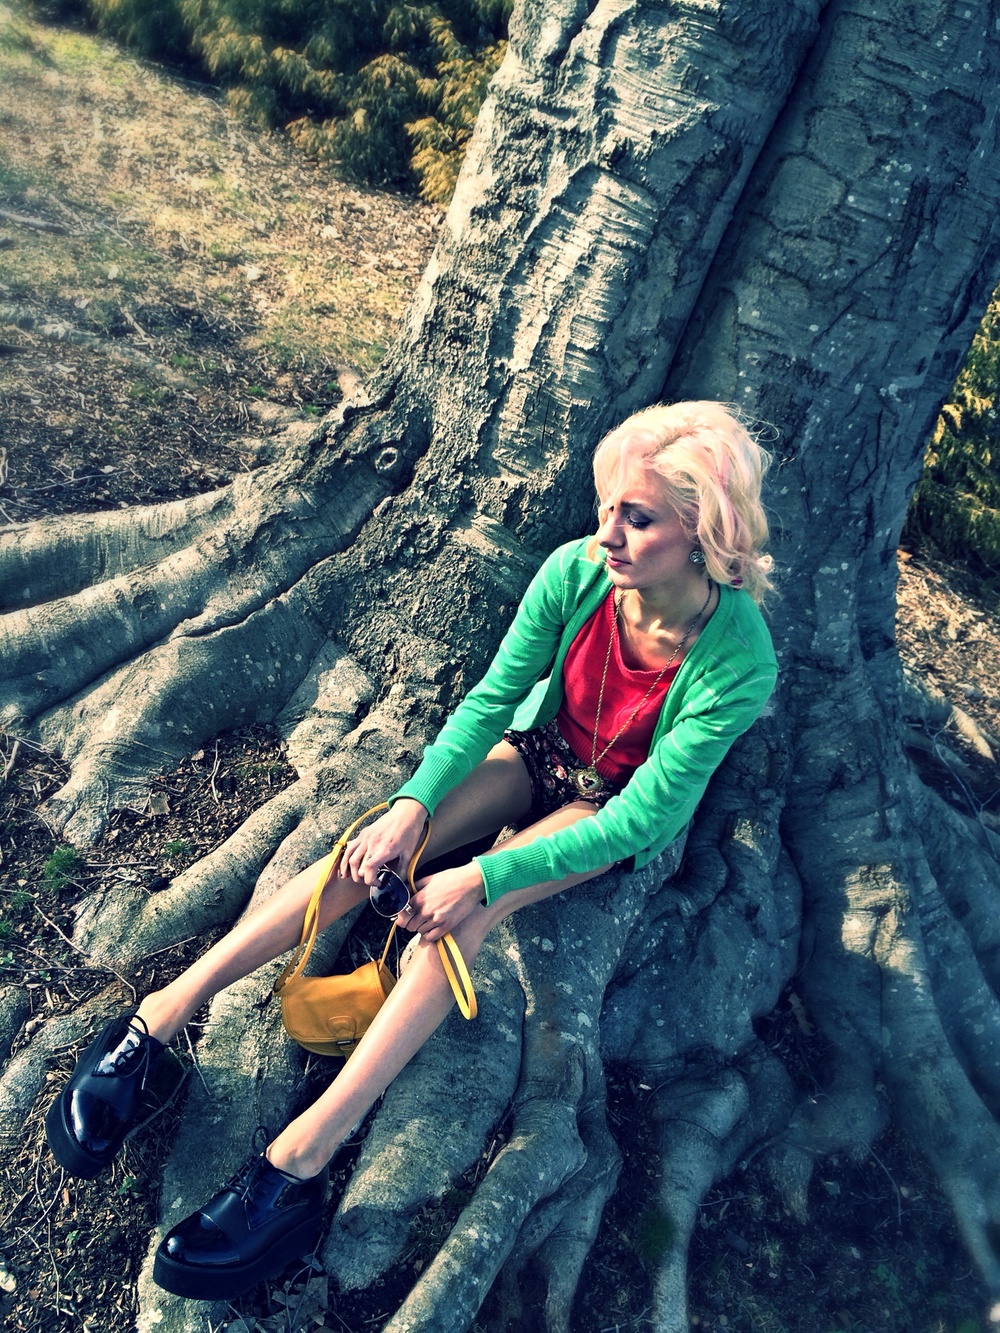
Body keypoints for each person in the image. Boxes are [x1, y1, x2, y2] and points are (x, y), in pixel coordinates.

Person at [45, 400, 778, 1301]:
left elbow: (643, 816)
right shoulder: (576, 574)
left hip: (611, 811)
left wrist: (484, 871)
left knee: (465, 911)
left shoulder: (738, 658)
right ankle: (160, 1015)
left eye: (639, 518)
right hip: (538, 751)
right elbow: (491, 697)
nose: (608, 535)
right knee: (367, 851)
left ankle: (299, 1163)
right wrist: (412, 806)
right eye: (607, 508)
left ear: (705, 534)